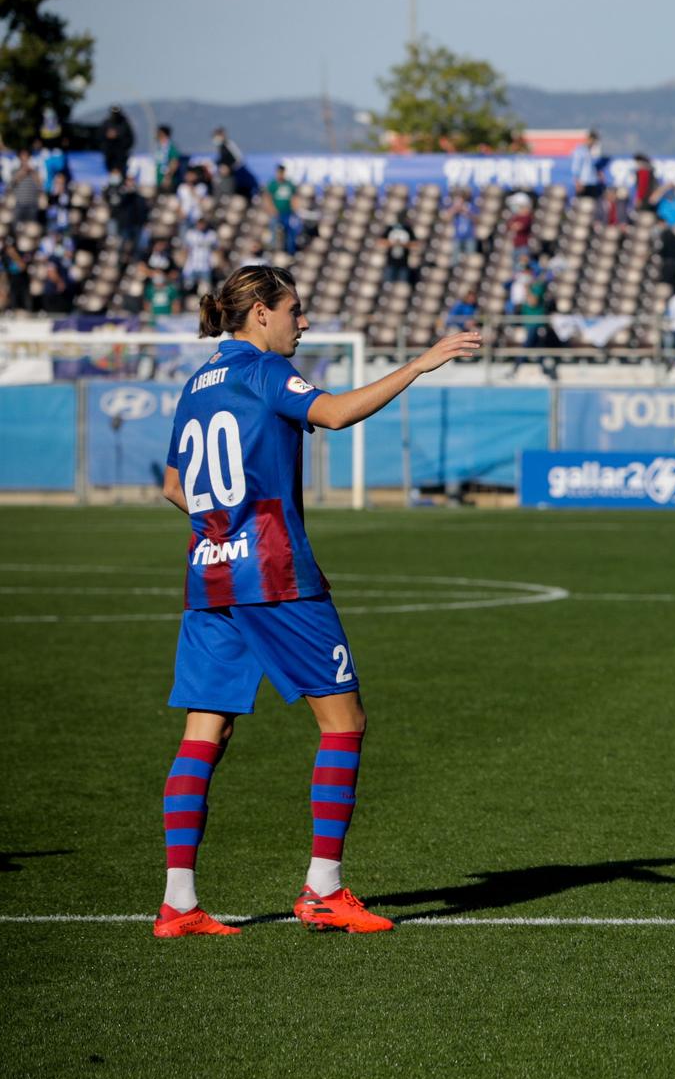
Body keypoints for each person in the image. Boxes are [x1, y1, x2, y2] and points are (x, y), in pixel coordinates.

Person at [151, 265, 482, 937]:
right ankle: (323, 888)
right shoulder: (262, 371)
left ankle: (177, 902)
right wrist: (418, 364)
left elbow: (172, 484)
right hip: (274, 574)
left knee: (204, 731)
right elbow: (333, 412)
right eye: (296, 310)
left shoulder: (196, 382)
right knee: (344, 721)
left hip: (211, 572)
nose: (303, 322)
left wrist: (223, 525)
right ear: (260, 314)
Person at [266, 164, 299, 255]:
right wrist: (272, 209)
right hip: (276, 214)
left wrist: (294, 209)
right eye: (279, 172)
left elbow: (294, 197)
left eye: (282, 172)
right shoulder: (273, 184)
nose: (280, 174)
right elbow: (267, 198)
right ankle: (273, 251)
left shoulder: (289, 184)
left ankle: (290, 252)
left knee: (290, 232)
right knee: (274, 232)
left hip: (287, 213)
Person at [102, 106, 135, 176]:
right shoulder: (106, 123)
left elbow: (130, 139)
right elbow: (100, 138)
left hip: (121, 156)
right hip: (109, 155)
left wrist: (118, 137)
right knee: (111, 175)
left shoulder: (124, 123)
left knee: (121, 175)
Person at [572, 131, 604, 199]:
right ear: (589, 139)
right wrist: (577, 182)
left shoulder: (590, 152)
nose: (594, 143)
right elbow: (576, 167)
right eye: (594, 141)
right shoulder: (580, 150)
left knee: (592, 205)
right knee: (583, 205)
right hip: (583, 183)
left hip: (593, 183)